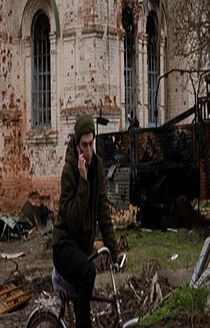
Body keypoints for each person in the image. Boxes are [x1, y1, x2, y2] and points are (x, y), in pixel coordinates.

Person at [53, 113, 121, 328]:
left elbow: (102, 211)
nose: (89, 151)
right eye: (84, 145)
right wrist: (83, 181)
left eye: (91, 144)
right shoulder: (70, 171)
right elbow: (72, 221)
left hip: (81, 249)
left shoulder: (98, 166)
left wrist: (114, 251)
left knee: (88, 275)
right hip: (64, 247)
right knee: (88, 272)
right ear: (76, 144)